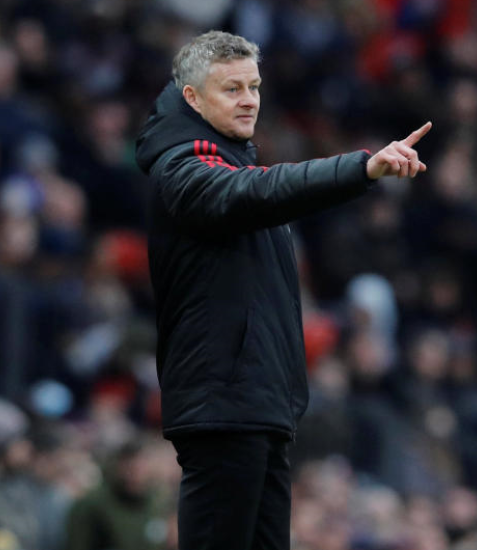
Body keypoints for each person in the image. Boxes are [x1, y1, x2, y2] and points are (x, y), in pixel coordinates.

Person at [134, 31, 431, 550]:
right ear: (193, 98)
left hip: (255, 403)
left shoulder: (230, 160)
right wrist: (361, 168)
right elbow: (258, 191)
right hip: (224, 402)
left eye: (254, 86)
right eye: (232, 88)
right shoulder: (182, 165)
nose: (249, 99)